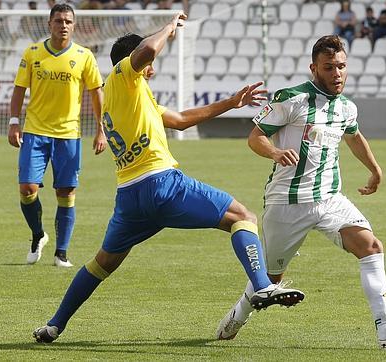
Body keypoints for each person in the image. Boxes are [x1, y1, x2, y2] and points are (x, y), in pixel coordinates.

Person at [32, 13, 305, 343]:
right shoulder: (122, 76)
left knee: (102, 264)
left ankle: (54, 325)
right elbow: (147, 51)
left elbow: (181, 120)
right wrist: (169, 27)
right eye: (145, 65)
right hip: (161, 184)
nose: (152, 68)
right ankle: (262, 287)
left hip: (130, 198)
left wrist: (232, 103)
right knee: (243, 217)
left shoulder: (132, 96)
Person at [215, 35, 386, 351]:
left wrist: (375, 168)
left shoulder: (346, 107)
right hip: (288, 201)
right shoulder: (292, 99)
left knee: (371, 247)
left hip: (331, 199)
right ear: (314, 68)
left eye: (341, 66)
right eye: (329, 67)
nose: (337, 73)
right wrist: (274, 152)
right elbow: (255, 137)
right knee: (271, 278)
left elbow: (354, 137)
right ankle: (238, 315)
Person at [8, 4, 107, 268]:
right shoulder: (32, 53)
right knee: (27, 189)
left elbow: (97, 93)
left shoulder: (84, 56)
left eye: (68, 21)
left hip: (69, 135)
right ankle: (38, 235)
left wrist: (101, 129)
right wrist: (14, 122)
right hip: (35, 132)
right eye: (59, 21)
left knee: (66, 192)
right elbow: (19, 89)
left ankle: (61, 252)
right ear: (49, 24)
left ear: (74, 26)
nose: (63, 25)